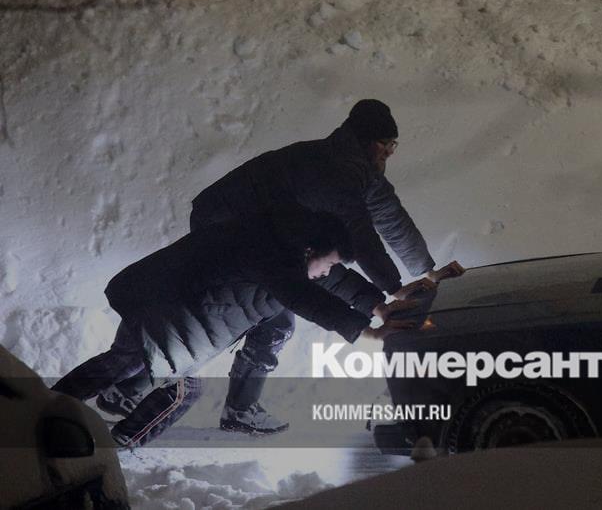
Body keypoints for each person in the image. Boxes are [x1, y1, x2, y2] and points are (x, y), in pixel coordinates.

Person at [99, 99, 463, 435]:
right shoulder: (332, 173)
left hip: (264, 236)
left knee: (261, 315)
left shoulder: (361, 173)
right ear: (367, 142)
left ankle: (143, 390)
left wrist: (425, 271)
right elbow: (355, 237)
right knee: (246, 317)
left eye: (394, 146)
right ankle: (149, 392)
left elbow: (391, 220)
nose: (390, 154)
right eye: (386, 146)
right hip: (226, 225)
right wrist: (391, 291)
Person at [52, 205, 416, 448]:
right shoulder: (274, 256)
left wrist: (379, 307)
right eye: (329, 262)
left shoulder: (283, 239)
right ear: (310, 250)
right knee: (183, 391)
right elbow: (303, 296)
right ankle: (116, 445)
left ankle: (48, 404)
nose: (326, 272)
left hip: (157, 298)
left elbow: (326, 280)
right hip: (170, 310)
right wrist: (367, 331)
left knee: (122, 360)